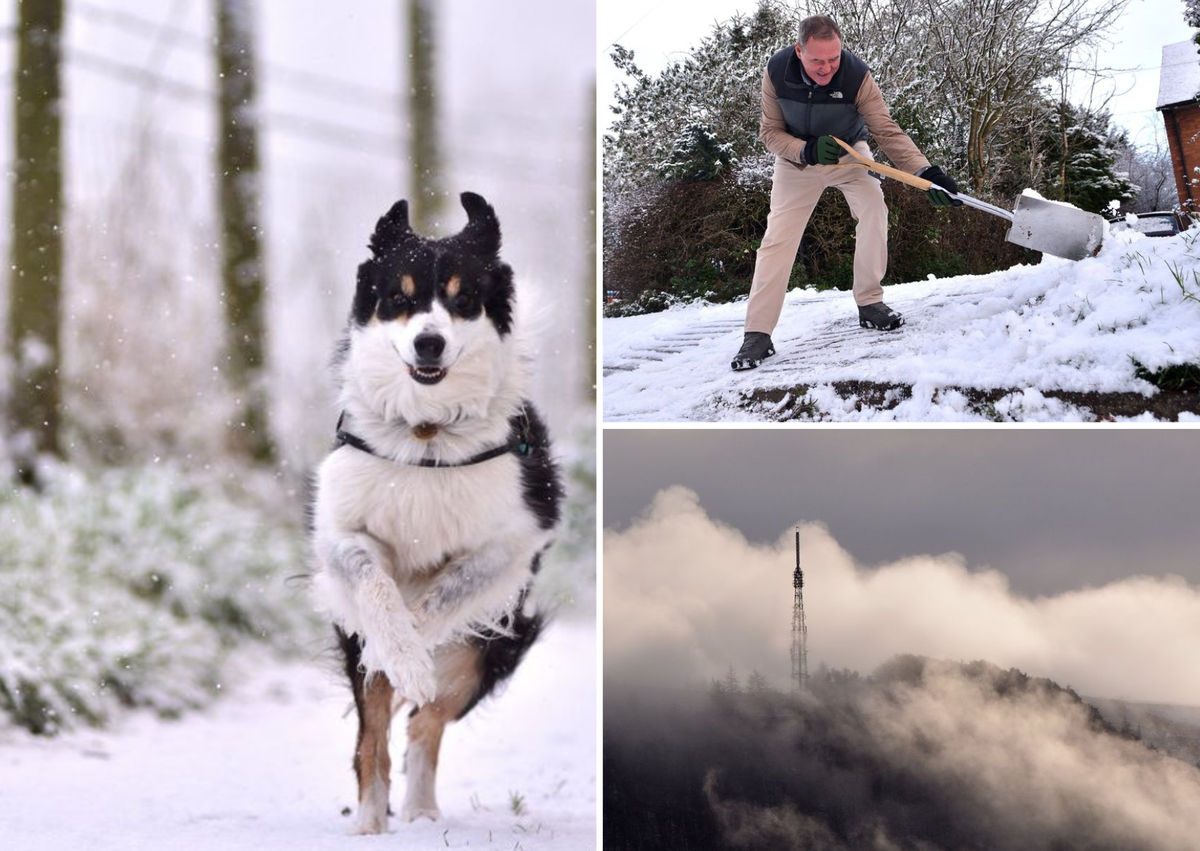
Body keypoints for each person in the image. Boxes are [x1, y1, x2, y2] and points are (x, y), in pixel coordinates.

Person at [731, 14, 960, 371]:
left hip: (849, 152)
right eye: (817, 60)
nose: (827, 68)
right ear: (799, 51)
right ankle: (757, 334)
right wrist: (804, 151)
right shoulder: (776, 71)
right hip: (798, 162)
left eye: (833, 58)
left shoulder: (855, 75)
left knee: (874, 208)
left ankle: (870, 303)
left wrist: (925, 172)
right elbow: (770, 133)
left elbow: (885, 129)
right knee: (777, 239)